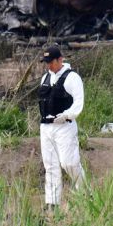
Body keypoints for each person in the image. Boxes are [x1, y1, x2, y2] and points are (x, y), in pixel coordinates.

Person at [38, 44, 86, 210]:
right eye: (47, 62)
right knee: (50, 165)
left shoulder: (72, 77)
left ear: (60, 59)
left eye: (51, 61)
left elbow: (79, 102)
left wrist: (67, 115)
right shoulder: (45, 77)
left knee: (69, 163)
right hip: (46, 127)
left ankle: (85, 194)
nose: (49, 65)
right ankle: (52, 203)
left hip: (64, 126)